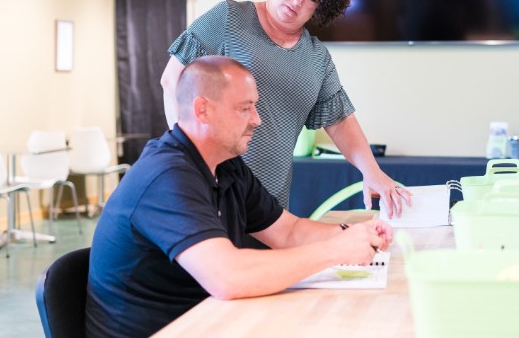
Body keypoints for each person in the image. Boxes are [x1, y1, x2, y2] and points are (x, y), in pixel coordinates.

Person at [86, 56, 393, 337]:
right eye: (244, 108)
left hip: (209, 320)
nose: (257, 119)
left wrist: (353, 235)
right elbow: (228, 277)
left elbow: (288, 232)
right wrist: (334, 251)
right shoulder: (165, 176)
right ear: (202, 110)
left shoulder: (225, 164)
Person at [161, 0, 411, 216]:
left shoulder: (317, 58)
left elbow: (340, 120)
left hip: (270, 205)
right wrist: (190, 159)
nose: (297, 0)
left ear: (320, 8)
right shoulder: (229, 17)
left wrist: (372, 171)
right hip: (209, 192)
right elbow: (172, 80)